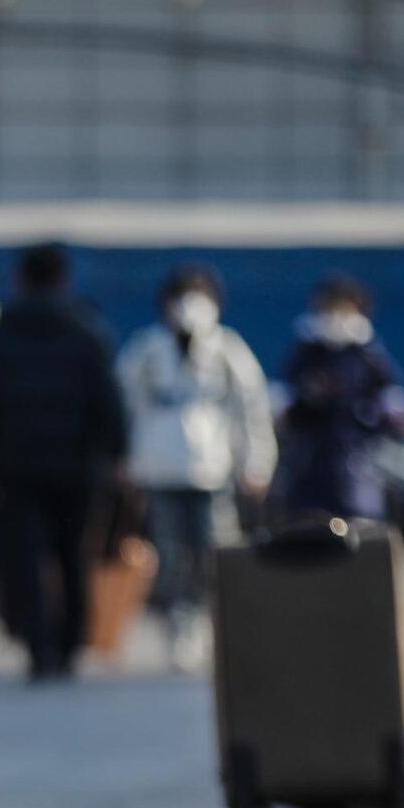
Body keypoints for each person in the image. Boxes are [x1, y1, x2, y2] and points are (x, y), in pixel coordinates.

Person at [0, 243, 127, 681]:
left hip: (16, 467)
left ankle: (38, 643)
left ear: (21, 280)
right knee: (74, 555)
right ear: (63, 279)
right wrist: (114, 455)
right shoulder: (87, 334)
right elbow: (109, 404)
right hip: (77, 467)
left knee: (24, 557)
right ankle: (70, 641)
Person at [117, 265, 274, 672]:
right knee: (168, 555)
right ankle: (178, 625)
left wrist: (256, 462)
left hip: (212, 468)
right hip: (160, 469)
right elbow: (125, 407)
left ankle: (210, 622)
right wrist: (126, 462)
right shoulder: (148, 349)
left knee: (214, 550)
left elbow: (251, 408)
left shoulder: (226, 349)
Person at [279, 274, 404, 524]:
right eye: (330, 307)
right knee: (309, 529)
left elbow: (395, 410)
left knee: (360, 531)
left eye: (343, 307)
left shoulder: (369, 357)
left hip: (357, 467)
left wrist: (367, 422)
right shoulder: (306, 353)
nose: (336, 316)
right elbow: (284, 407)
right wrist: (309, 397)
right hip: (310, 468)